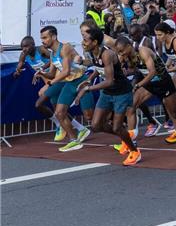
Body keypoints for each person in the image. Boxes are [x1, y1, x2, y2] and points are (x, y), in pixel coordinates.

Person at [76, 29, 141, 166]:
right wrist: (88, 79)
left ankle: (134, 151)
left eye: (86, 40)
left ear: (95, 42)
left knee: (117, 127)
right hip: (107, 93)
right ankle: (125, 136)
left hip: (121, 92)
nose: (83, 42)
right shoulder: (92, 52)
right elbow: (97, 67)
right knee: (95, 125)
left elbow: (109, 80)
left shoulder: (107, 54)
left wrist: (88, 88)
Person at [38, 26, 91, 151]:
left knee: (90, 117)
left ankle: (121, 125)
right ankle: (74, 141)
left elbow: (66, 71)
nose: (43, 41)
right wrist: (41, 73)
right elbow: (51, 74)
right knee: (59, 113)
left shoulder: (65, 48)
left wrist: (51, 83)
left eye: (45, 37)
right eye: (41, 38)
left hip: (81, 82)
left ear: (54, 37)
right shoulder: (52, 54)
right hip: (70, 84)